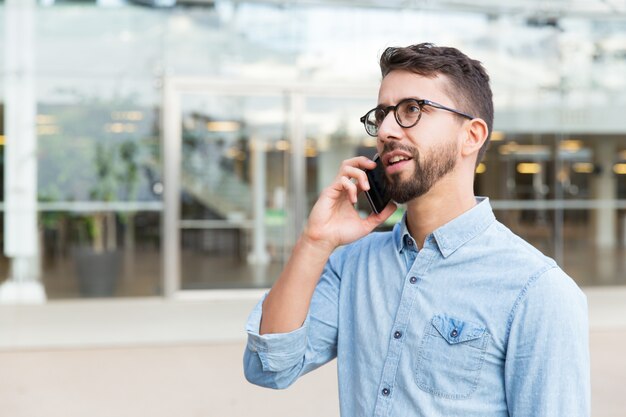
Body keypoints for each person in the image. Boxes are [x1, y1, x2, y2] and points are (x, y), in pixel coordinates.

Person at [243, 43, 590, 417]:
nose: (388, 130)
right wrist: (315, 242)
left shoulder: (537, 290)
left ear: (471, 136)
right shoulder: (352, 266)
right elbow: (269, 368)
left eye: (412, 109)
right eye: (382, 114)